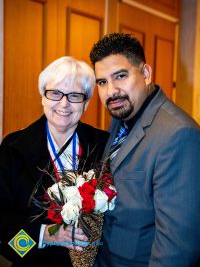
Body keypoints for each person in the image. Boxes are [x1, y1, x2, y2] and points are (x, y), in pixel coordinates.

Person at [89, 33, 200, 266]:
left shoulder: (179, 134)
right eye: (102, 82)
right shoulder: (122, 117)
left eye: (120, 76)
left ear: (146, 74)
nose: (111, 91)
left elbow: (177, 247)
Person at [0, 56, 109, 266]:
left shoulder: (102, 145)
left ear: (85, 103)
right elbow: (1, 225)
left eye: (75, 95)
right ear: (43, 97)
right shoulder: (13, 148)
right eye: (55, 93)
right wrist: (47, 235)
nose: (64, 103)